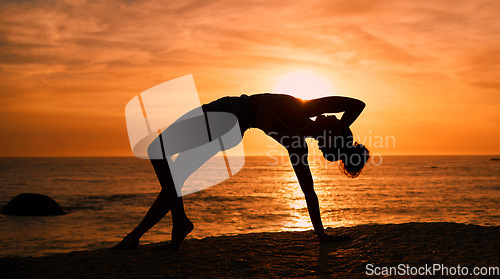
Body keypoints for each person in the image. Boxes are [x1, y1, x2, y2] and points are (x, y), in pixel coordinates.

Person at [115, 93, 369, 249]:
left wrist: (336, 130)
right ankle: (142, 234)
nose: (333, 116)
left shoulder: (302, 112)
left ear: (331, 135)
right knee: (177, 175)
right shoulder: (297, 142)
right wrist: (321, 234)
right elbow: (309, 191)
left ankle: (174, 224)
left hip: (226, 114)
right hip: (233, 128)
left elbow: (357, 104)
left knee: (156, 149)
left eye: (335, 121)